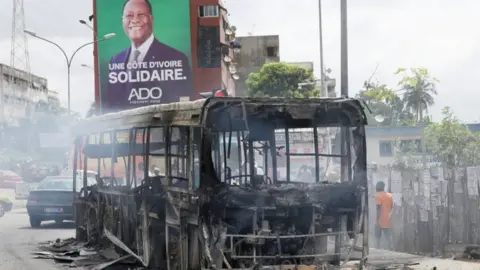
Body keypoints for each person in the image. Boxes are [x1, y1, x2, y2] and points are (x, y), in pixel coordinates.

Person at [107, 0, 193, 109]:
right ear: (122, 21)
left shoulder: (176, 58)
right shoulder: (115, 60)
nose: (134, 20)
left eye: (141, 15)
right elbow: (112, 105)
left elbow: (184, 103)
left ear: (151, 19)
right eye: (129, 15)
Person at [375, 181, 393, 249]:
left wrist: (377, 220)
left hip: (379, 220)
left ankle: (377, 251)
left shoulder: (377, 195)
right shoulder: (390, 195)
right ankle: (392, 250)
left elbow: (378, 208)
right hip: (388, 219)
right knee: (389, 237)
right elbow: (391, 207)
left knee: (377, 238)